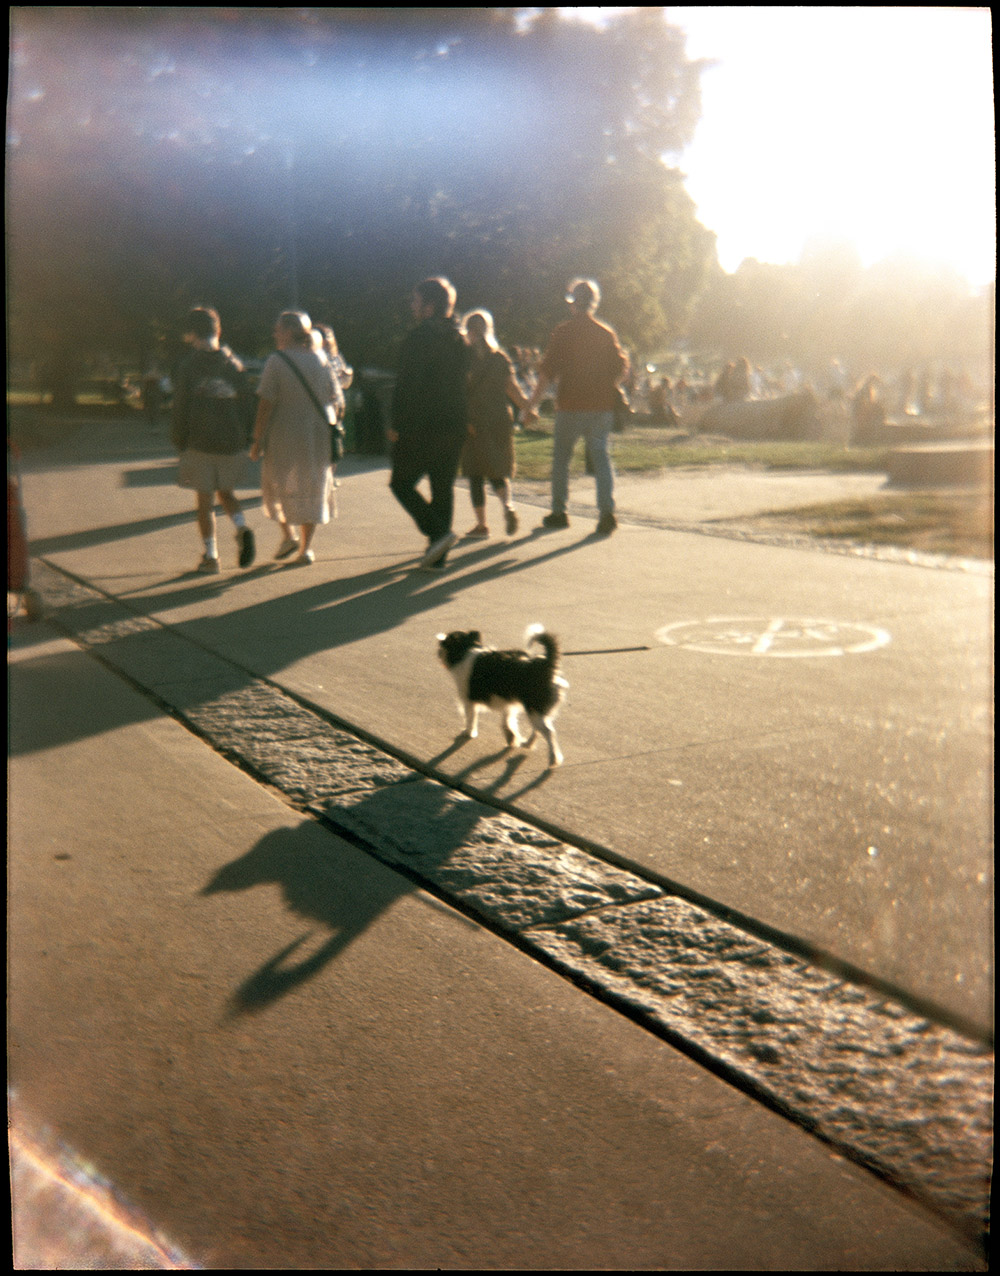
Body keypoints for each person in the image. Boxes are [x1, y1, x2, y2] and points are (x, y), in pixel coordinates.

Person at [523, 277, 629, 536]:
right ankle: (607, 514)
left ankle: (559, 512)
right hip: (600, 407)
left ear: (573, 304)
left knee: (562, 461)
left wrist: (530, 405)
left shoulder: (563, 332)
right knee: (601, 458)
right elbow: (621, 369)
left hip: (570, 405)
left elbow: (546, 373)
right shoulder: (606, 333)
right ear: (594, 304)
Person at [387, 276, 471, 570]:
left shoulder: (419, 338)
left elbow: (407, 384)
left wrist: (397, 421)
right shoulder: (460, 338)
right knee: (442, 485)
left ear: (429, 305)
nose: (412, 305)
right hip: (454, 422)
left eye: (416, 300)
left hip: (422, 424)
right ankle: (438, 556)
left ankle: (438, 534)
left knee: (401, 483)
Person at [250, 311, 343, 566]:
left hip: (284, 434)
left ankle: (288, 536)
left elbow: (265, 402)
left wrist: (256, 439)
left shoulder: (276, 361)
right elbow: (335, 396)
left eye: (278, 329)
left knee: (278, 482)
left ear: (289, 332)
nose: (275, 334)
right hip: (317, 435)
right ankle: (305, 549)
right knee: (312, 485)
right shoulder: (321, 358)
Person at [170, 306, 256, 574]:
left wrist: (179, 439)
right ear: (218, 330)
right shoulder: (234, 365)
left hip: (199, 440)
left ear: (192, 334)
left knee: (204, 502)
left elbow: (181, 406)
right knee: (227, 493)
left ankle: (211, 556)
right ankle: (242, 527)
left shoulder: (188, 366)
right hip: (231, 441)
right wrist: (249, 436)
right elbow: (247, 405)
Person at [459, 309, 529, 539]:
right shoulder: (501, 358)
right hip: (500, 419)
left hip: (475, 421)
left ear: (469, 331)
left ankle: (481, 526)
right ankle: (508, 505)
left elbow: (460, 392)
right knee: (498, 469)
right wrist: (529, 408)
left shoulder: (466, 358)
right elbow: (513, 389)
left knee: (476, 473)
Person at [313, 323, 353, 482]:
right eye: (325, 336)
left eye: (330, 336)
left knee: (334, 444)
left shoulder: (337, 356)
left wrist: (348, 373)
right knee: (322, 445)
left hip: (337, 407)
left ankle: (330, 477)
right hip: (322, 406)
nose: (329, 340)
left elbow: (345, 383)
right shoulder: (314, 356)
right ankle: (323, 479)